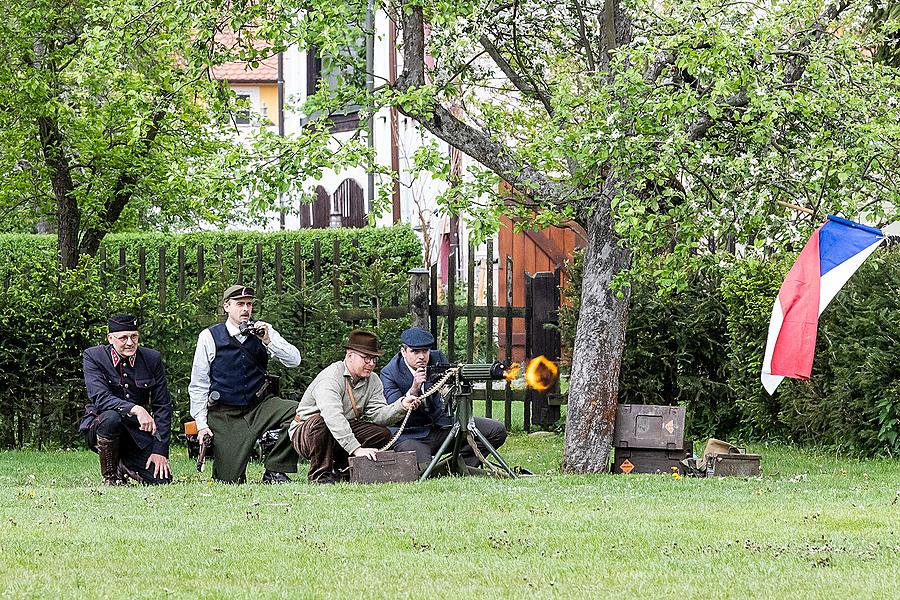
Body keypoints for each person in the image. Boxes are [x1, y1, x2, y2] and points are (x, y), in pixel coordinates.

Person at [189, 285, 300, 484]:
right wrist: (202, 425)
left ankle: (275, 469)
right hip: (225, 414)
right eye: (240, 304)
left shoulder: (263, 331)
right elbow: (199, 384)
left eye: (249, 304)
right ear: (227, 306)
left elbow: (294, 360)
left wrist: (268, 341)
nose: (245, 309)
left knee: (301, 412)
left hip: (260, 407)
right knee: (229, 480)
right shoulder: (209, 337)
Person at [290, 330, 421, 484]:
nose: (371, 363)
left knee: (382, 434)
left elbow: (379, 414)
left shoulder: (373, 380)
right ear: (350, 356)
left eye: (374, 359)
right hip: (308, 432)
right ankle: (320, 476)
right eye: (366, 358)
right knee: (321, 423)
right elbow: (333, 416)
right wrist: (356, 449)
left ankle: (344, 471)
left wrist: (402, 405)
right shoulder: (330, 378)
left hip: (341, 430)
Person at [379, 327, 507, 472]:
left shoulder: (437, 359)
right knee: (425, 469)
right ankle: (443, 469)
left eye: (425, 351)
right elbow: (394, 412)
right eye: (415, 351)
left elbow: (450, 385)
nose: (421, 356)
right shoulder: (390, 372)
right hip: (412, 434)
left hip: (442, 427)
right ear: (403, 351)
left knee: (496, 430)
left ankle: (461, 466)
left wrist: (449, 390)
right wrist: (414, 389)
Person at [80, 314, 173, 485]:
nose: (130, 342)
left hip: (136, 433)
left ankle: (123, 464)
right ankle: (111, 476)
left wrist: (160, 450)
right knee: (111, 418)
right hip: (102, 426)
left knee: (161, 480)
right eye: (123, 338)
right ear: (110, 338)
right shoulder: (93, 356)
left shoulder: (152, 359)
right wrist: (137, 409)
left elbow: (163, 405)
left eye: (134, 336)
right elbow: (100, 397)